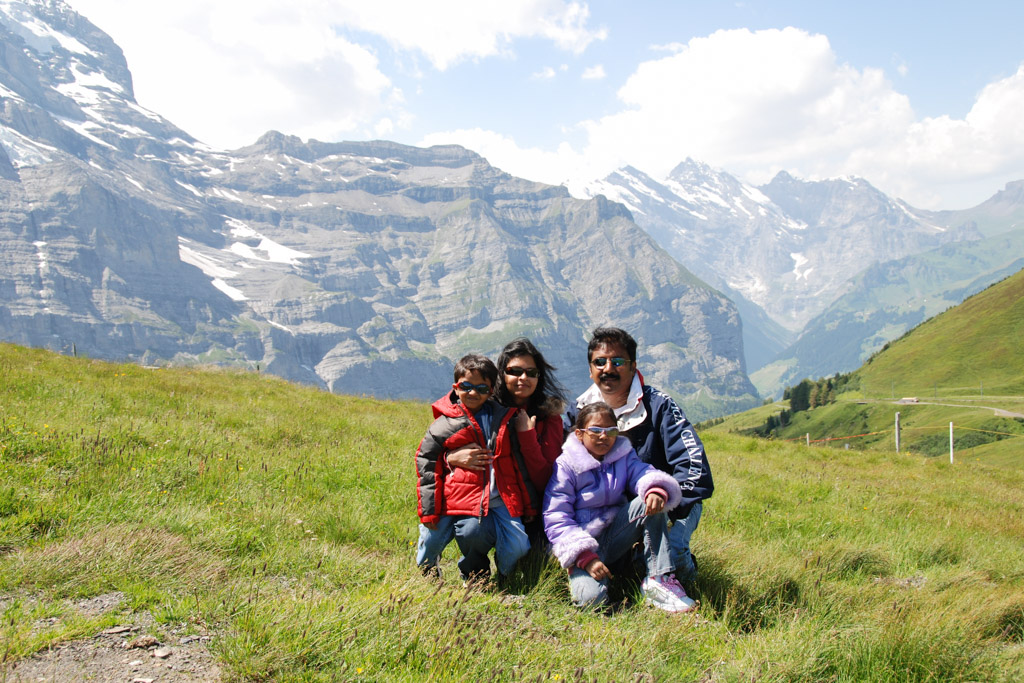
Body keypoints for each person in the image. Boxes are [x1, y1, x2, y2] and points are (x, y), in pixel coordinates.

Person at [566, 327, 713, 587]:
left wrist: (669, 505)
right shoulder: (577, 412)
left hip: (666, 506)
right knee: (625, 575)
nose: (608, 368)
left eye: (618, 361)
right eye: (600, 362)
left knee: (675, 556)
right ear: (590, 370)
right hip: (611, 518)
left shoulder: (660, 406)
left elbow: (694, 466)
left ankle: (687, 582)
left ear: (633, 367)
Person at [543, 402, 694, 612]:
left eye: (610, 430)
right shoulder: (566, 466)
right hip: (583, 546)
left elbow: (642, 472)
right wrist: (584, 557)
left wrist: (656, 489)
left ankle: (659, 580)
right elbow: (556, 516)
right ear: (579, 434)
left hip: (615, 535)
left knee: (650, 498)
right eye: (595, 430)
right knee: (589, 602)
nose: (603, 437)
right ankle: (625, 568)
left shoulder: (622, 455)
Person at [414, 354, 536, 582]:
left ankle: (505, 577)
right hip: (450, 498)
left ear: (491, 391)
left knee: (518, 545)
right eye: (466, 386)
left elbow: (516, 464)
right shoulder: (443, 424)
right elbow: (427, 463)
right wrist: (429, 509)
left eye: (481, 388)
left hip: (495, 499)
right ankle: (427, 572)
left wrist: (528, 506)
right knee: (431, 540)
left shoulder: (503, 419)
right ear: (455, 387)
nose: (473, 393)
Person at [448, 338, 566, 538]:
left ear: (540, 377)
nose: (523, 378)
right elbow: (441, 444)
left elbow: (547, 479)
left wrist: (527, 437)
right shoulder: (484, 408)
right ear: (502, 373)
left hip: (536, 509)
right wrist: (450, 458)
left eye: (532, 373)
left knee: (530, 558)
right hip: (492, 502)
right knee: (473, 532)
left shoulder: (549, 415)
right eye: (515, 371)